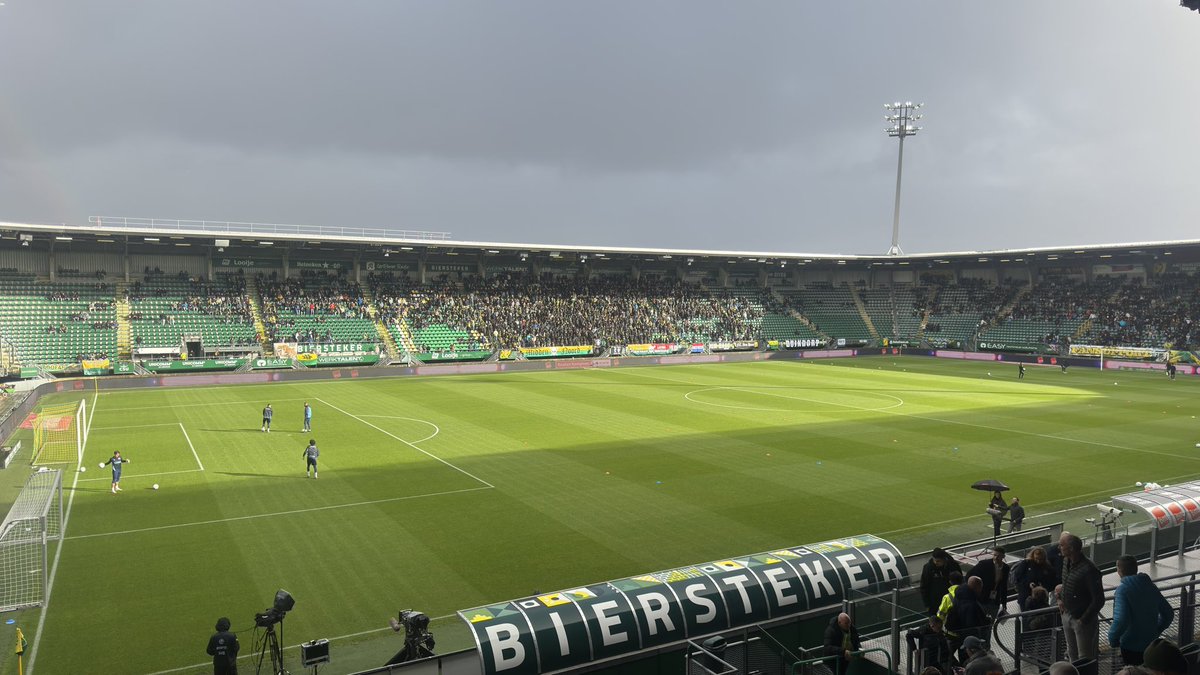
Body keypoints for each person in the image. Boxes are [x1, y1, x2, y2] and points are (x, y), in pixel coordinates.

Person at [1108, 555, 1173, 666]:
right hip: (1151, 643)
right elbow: (1168, 613)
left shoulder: (1122, 590)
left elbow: (1121, 620)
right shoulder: (1150, 586)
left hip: (1130, 645)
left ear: (1119, 570)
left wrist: (1113, 639)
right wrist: (1157, 629)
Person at [1058, 533, 1104, 663]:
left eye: (1062, 545)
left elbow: (1099, 600)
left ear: (1071, 548)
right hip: (1067, 615)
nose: (1059, 547)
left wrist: (1083, 620)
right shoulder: (1066, 561)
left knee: (1085, 658)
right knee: (1072, 654)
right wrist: (1059, 598)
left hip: (1082, 621)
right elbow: (1065, 585)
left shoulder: (1089, 569)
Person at [968, 547, 1010, 617]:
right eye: (994, 555)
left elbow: (1004, 586)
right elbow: (969, 575)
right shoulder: (984, 564)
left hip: (995, 599)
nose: (996, 557)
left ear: (1003, 556)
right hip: (982, 598)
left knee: (992, 620)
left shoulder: (1006, 568)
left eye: (998, 556)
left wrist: (1004, 603)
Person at [920, 548, 962, 617]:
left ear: (944, 559)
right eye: (934, 560)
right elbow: (924, 586)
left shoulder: (953, 566)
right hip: (935, 604)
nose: (935, 562)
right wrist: (927, 604)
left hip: (953, 602)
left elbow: (960, 582)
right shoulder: (928, 568)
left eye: (938, 561)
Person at [1012, 546, 1055, 611]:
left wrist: (1042, 586)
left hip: (1041, 598)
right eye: (1036, 559)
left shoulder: (1046, 567)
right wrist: (1028, 584)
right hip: (1025, 595)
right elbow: (1018, 578)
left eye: (1040, 559)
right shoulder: (1026, 563)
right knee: (1026, 616)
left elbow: (1050, 581)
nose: (1038, 561)